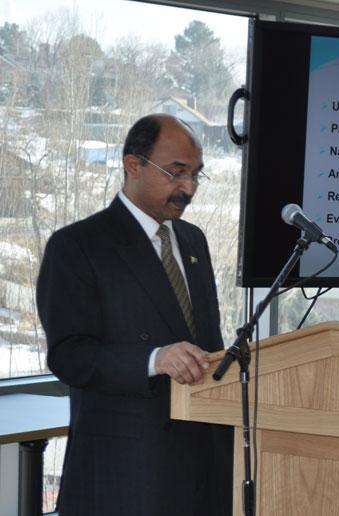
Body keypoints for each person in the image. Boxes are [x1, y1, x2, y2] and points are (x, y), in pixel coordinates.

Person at [37, 114, 232, 515]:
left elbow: (205, 340)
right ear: (133, 165)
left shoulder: (194, 240)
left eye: (196, 175)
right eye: (176, 173)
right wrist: (153, 359)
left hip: (203, 468)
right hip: (126, 473)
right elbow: (69, 355)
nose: (189, 188)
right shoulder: (77, 245)